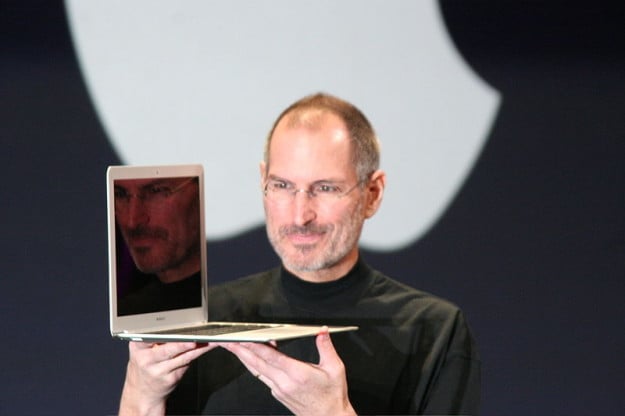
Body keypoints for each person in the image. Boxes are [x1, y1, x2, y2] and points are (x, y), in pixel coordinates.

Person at [119, 93, 480, 415]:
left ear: (372, 194)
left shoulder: (434, 330)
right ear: (263, 181)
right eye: (283, 186)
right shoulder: (203, 322)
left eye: (325, 188)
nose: (300, 215)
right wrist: (141, 395)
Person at [114, 176, 202, 315]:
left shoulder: (232, 304)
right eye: (120, 194)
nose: (132, 221)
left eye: (157, 191)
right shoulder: (127, 312)